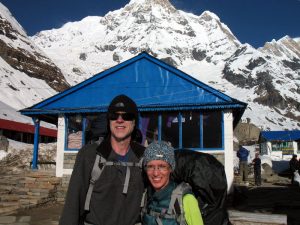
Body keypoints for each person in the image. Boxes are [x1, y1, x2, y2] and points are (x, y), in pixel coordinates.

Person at [59, 94, 145, 225]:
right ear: (109, 121)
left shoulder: (144, 157)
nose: (119, 120)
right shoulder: (90, 154)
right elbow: (73, 204)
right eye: (114, 116)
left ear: (134, 122)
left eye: (126, 116)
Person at [142, 141, 204, 225]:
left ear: (171, 168)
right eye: (150, 166)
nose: (156, 173)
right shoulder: (145, 196)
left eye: (162, 166)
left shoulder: (185, 199)